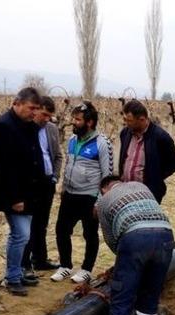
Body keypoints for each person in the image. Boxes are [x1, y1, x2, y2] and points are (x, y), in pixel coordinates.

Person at [95, 175, 175, 315]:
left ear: (105, 189)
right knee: (150, 295)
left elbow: (112, 239)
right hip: (166, 236)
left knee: (121, 301)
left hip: (135, 239)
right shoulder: (141, 185)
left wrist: (126, 263)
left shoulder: (104, 201)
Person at [0, 87, 45, 296]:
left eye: (37, 109)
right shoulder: (4, 127)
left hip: (30, 193)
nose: (34, 112)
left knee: (24, 235)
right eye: (31, 108)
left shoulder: (29, 126)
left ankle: (19, 272)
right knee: (20, 235)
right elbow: (3, 167)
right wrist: (14, 197)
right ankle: (12, 277)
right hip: (16, 194)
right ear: (17, 103)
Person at [51, 101, 113, 284]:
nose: (73, 122)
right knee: (61, 230)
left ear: (90, 122)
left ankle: (86, 269)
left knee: (89, 234)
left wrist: (100, 200)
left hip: (89, 197)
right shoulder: (71, 140)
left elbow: (108, 176)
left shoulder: (103, 143)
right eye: (73, 118)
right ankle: (65, 266)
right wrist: (63, 188)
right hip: (70, 194)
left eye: (77, 119)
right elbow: (69, 164)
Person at [22, 96, 64, 278]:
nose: (47, 119)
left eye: (49, 116)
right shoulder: (24, 129)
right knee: (27, 225)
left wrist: (54, 177)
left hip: (47, 183)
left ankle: (40, 259)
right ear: (36, 110)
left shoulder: (52, 129)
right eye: (44, 114)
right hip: (31, 185)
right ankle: (25, 263)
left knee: (42, 223)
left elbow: (58, 156)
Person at [118, 99, 175, 203]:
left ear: (142, 119)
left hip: (148, 194)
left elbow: (173, 164)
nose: (125, 123)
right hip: (126, 191)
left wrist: (155, 177)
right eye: (125, 119)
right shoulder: (125, 133)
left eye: (129, 120)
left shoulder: (161, 137)